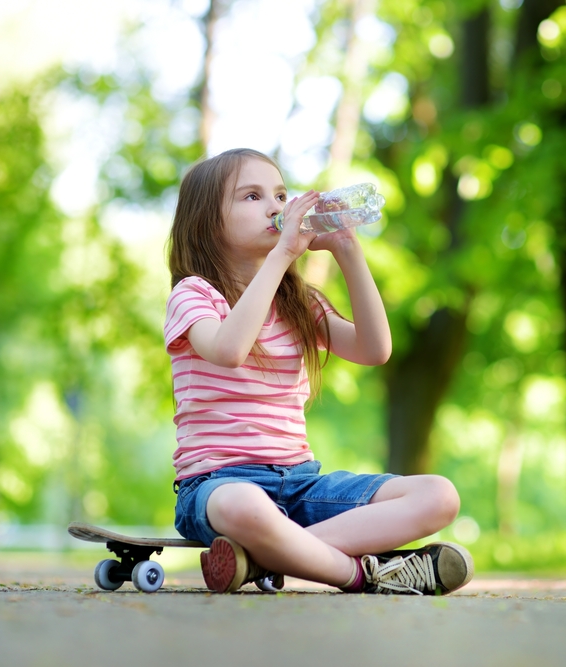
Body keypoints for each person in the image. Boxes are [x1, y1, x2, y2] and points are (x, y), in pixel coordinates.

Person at [164, 148, 473, 595]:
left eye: (280, 194)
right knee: (246, 504)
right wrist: (284, 252)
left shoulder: (298, 302)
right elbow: (230, 349)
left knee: (439, 495)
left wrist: (349, 252)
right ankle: (364, 574)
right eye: (252, 196)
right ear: (209, 222)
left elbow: (375, 348)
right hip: (217, 484)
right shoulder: (194, 294)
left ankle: (260, 561)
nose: (275, 207)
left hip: (301, 482)